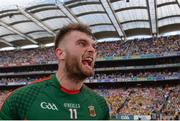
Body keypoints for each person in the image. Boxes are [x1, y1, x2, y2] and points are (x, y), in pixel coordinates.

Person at [0, 23, 110, 120]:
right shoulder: (22, 98)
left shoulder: (100, 104)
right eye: (82, 43)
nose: (92, 50)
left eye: (94, 46)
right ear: (60, 53)